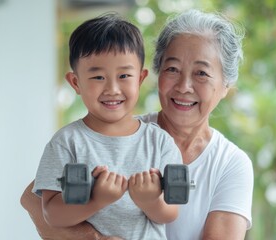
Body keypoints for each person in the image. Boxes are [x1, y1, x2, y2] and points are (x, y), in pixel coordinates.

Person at [21, 9, 253, 240]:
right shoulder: (113, 130)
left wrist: (151, 201)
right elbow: (35, 200)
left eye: (201, 73)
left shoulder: (230, 163)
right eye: (172, 69)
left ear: (226, 86)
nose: (184, 86)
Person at [31, 13, 183, 240]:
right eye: (98, 77)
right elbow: (51, 214)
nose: (112, 88)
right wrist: (96, 200)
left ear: (140, 79)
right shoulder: (66, 142)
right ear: (75, 82)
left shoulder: (160, 142)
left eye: (124, 75)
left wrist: (150, 201)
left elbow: (170, 213)